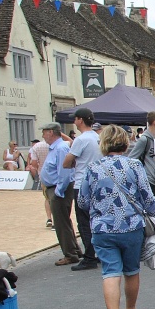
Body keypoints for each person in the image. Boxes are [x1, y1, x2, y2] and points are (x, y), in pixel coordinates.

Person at [77, 125, 155, 309]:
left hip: (103, 228)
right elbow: (147, 197)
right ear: (125, 142)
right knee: (131, 270)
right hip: (131, 226)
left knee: (110, 272)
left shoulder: (93, 168)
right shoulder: (134, 165)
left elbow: (83, 201)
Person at [63, 108, 102, 271]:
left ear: (80, 120)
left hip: (82, 183)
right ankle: (97, 252)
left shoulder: (81, 139)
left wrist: (74, 162)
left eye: (76, 119)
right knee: (96, 219)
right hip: (97, 182)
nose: (74, 122)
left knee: (84, 222)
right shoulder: (97, 137)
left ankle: (90, 256)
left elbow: (67, 162)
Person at [40, 123, 82, 266]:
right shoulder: (57, 148)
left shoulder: (60, 148)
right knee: (64, 221)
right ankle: (74, 250)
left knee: (61, 223)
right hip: (55, 187)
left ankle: (70, 254)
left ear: (51, 132)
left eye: (44, 132)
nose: (43, 135)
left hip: (59, 188)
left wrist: (58, 191)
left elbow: (65, 172)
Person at [129, 112, 155, 219]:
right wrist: (142, 174)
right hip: (150, 181)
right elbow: (132, 159)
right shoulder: (144, 139)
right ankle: (153, 234)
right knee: (152, 212)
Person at [28, 139, 53, 226]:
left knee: (47, 198)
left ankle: (49, 218)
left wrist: (39, 167)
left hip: (44, 175)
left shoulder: (37, 146)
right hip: (56, 174)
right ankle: (56, 220)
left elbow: (34, 163)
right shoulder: (59, 145)